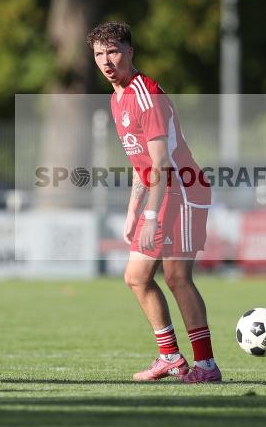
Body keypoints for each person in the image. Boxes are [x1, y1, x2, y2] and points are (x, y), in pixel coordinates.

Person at [86, 21, 220, 383]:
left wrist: (148, 215)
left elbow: (161, 163)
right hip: (162, 193)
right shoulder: (117, 98)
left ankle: (206, 366)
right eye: (99, 54)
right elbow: (140, 164)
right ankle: (171, 358)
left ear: (130, 52)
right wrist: (133, 210)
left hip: (184, 191)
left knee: (177, 277)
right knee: (136, 277)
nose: (106, 61)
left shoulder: (146, 95)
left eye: (113, 51)